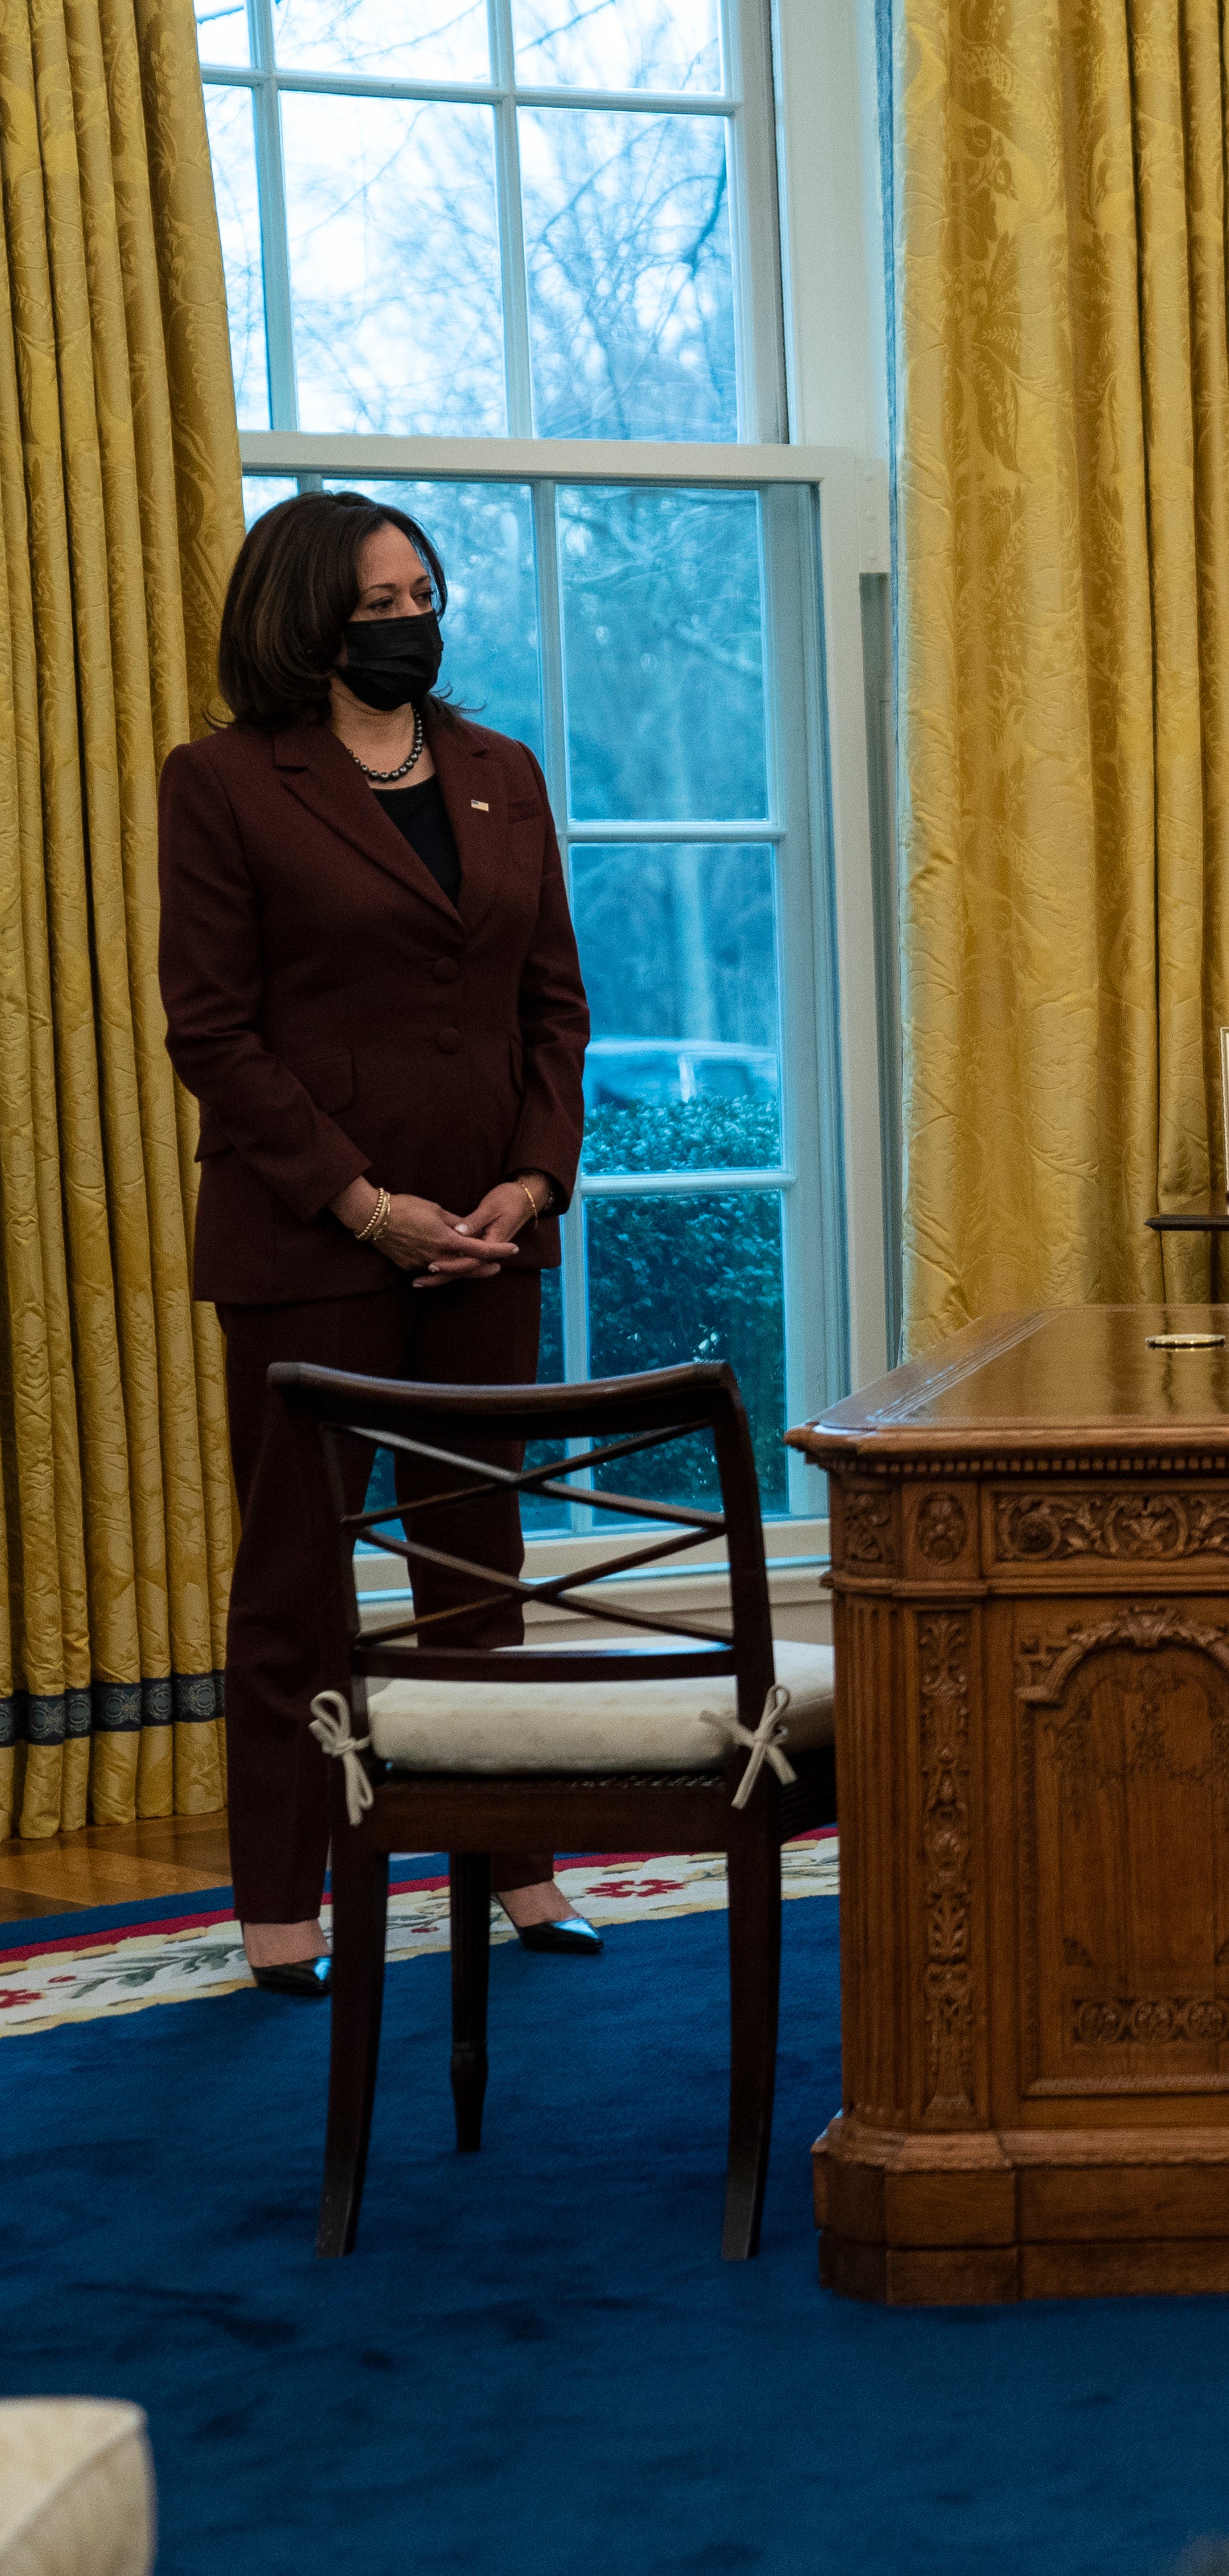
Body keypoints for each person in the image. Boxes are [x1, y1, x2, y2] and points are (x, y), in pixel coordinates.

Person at [157, 491, 600, 1997]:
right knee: (299, 1581)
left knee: (480, 1566)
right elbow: (212, 1031)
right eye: (379, 599)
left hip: (489, 1239)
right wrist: (362, 1202)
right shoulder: (221, 783)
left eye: (424, 592)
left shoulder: (498, 771)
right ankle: (282, 1906)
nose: (411, 618)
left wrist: (530, 1185)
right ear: (305, 619)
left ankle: (516, 1865)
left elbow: (553, 1001)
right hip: (311, 1249)